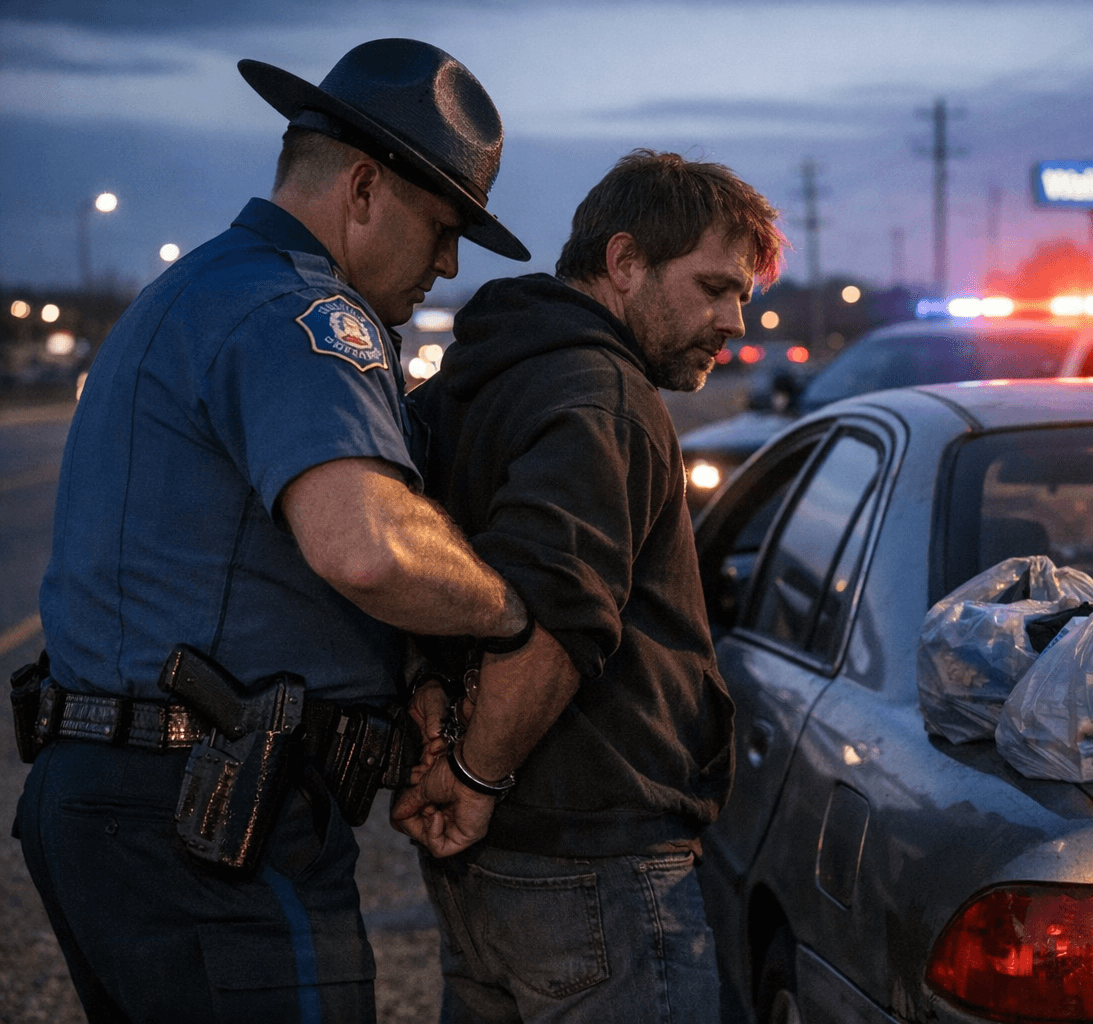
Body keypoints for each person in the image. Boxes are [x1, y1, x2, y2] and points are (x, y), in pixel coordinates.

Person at [14, 39, 539, 1022]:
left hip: (122, 800)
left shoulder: (197, 289)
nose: (449, 263)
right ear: (365, 188)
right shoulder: (299, 312)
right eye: (443, 227)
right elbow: (369, 547)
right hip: (203, 819)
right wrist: (512, 615)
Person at [391, 149, 784, 1023]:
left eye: (742, 298)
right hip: (592, 862)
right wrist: (476, 779)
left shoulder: (478, 378)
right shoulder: (603, 396)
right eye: (714, 288)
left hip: (489, 873)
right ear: (625, 261)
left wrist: (450, 743)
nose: (733, 321)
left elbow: (429, 579)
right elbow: (554, 619)